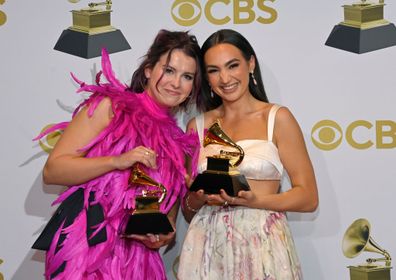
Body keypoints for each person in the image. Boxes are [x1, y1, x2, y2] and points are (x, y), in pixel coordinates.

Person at [32, 29, 203, 280]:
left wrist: (165, 234)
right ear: (148, 69)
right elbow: (53, 170)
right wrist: (116, 161)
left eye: (187, 76)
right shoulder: (110, 107)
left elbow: (167, 218)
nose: (176, 83)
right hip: (88, 248)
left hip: (138, 262)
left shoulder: (178, 146)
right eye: (168, 70)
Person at [178, 29, 318, 280]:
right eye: (213, 70)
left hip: (264, 245)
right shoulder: (196, 126)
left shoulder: (277, 118)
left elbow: (308, 198)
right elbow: (188, 212)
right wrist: (197, 199)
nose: (225, 78)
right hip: (208, 249)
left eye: (233, 65)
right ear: (206, 77)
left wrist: (256, 202)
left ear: (250, 63)